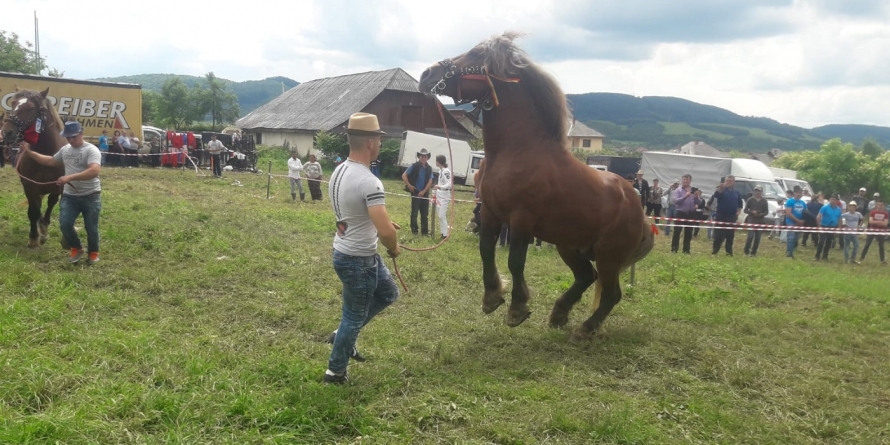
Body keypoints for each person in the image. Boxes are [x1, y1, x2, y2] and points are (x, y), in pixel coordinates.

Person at [323, 112, 401, 385]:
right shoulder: (369, 181)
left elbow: (353, 209)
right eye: (378, 139)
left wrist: (383, 223)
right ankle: (335, 372)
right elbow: (386, 233)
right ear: (370, 142)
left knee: (389, 293)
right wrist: (394, 246)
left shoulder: (340, 171)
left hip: (346, 252)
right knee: (353, 315)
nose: (379, 144)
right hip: (359, 259)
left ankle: (343, 335)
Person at [18, 121, 102, 265]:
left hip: (90, 195)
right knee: (65, 224)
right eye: (67, 137)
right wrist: (30, 153)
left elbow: (94, 170)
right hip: (70, 196)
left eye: (73, 137)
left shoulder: (91, 150)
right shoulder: (66, 150)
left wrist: (70, 177)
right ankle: (77, 248)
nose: (70, 140)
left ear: (81, 134)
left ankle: (93, 253)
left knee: (91, 227)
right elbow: (50, 161)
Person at [401, 148, 433, 235]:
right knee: (414, 213)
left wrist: (424, 191)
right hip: (415, 192)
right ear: (419, 157)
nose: (423, 158)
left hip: (425, 193)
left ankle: (424, 232)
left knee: (425, 214)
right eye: (422, 156)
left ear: (427, 158)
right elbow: (404, 175)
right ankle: (414, 231)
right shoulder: (414, 166)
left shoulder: (429, 168)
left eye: (425, 156)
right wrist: (409, 185)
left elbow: (430, 181)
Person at [711, 175, 743, 256]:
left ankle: (729, 252)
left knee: (730, 235)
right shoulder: (722, 190)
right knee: (719, 235)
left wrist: (738, 211)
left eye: (730, 181)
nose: (728, 182)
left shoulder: (736, 192)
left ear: (734, 182)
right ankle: (715, 252)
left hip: (731, 216)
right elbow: (716, 195)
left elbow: (740, 203)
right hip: (721, 215)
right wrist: (720, 188)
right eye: (727, 180)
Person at [671, 174, 701, 254]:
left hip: (691, 213)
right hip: (680, 213)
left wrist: (696, 196)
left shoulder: (694, 190)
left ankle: (686, 250)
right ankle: (674, 249)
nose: (685, 181)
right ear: (682, 180)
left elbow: (699, 202)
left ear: (690, 180)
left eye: (687, 179)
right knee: (677, 231)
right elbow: (676, 201)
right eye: (684, 179)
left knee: (689, 232)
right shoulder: (678, 190)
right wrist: (685, 196)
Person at [860, 200, 889, 265]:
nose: (880, 206)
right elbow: (870, 222)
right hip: (872, 230)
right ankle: (861, 258)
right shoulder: (873, 212)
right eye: (879, 205)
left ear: (883, 206)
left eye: (881, 205)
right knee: (867, 245)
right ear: (876, 205)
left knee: (881, 246)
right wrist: (880, 222)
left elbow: (885, 224)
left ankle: (882, 260)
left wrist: (876, 222)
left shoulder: (885, 213)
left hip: (881, 231)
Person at [743, 186, 769, 256]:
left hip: (760, 221)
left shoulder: (764, 201)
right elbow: (745, 210)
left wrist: (761, 214)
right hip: (751, 220)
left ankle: (753, 252)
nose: (757, 192)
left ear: (761, 192)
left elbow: (766, 211)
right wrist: (752, 212)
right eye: (756, 191)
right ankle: (746, 251)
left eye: (759, 191)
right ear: (754, 191)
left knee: (758, 238)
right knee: (750, 236)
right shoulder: (750, 199)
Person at [814, 195, 841, 261]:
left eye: (834, 199)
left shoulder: (838, 209)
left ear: (837, 201)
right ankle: (817, 256)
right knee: (822, 241)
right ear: (829, 200)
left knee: (829, 242)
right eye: (832, 199)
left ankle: (825, 256)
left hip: (832, 227)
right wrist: (819, 227)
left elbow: (840, 219)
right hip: (824, 226)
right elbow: (818, 217)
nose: (833, 201)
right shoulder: (824, 207)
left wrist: (838, 228)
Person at [433, 154, 452, 239]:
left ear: (438, 161)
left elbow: (449, 184)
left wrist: (440, 187)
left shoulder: (446, 171)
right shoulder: (440, 171)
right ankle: (443, 232)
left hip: (445, 194)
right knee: (439, 215)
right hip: (439, 194)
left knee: (442, 215)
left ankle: (445, 234)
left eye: (436, 160)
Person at [784, 186, 807, 259]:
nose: (800, 194)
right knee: (791, 237)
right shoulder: (790, 201)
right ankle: (789, 253)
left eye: (801, 193)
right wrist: (797, 221)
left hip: (800, 223)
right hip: (791, 222)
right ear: (794, 193)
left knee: (796, 238)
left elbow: (805, 213)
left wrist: (803, 221)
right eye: (798, 193)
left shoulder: (803, 203)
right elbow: (788, 213)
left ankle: (792, 250)